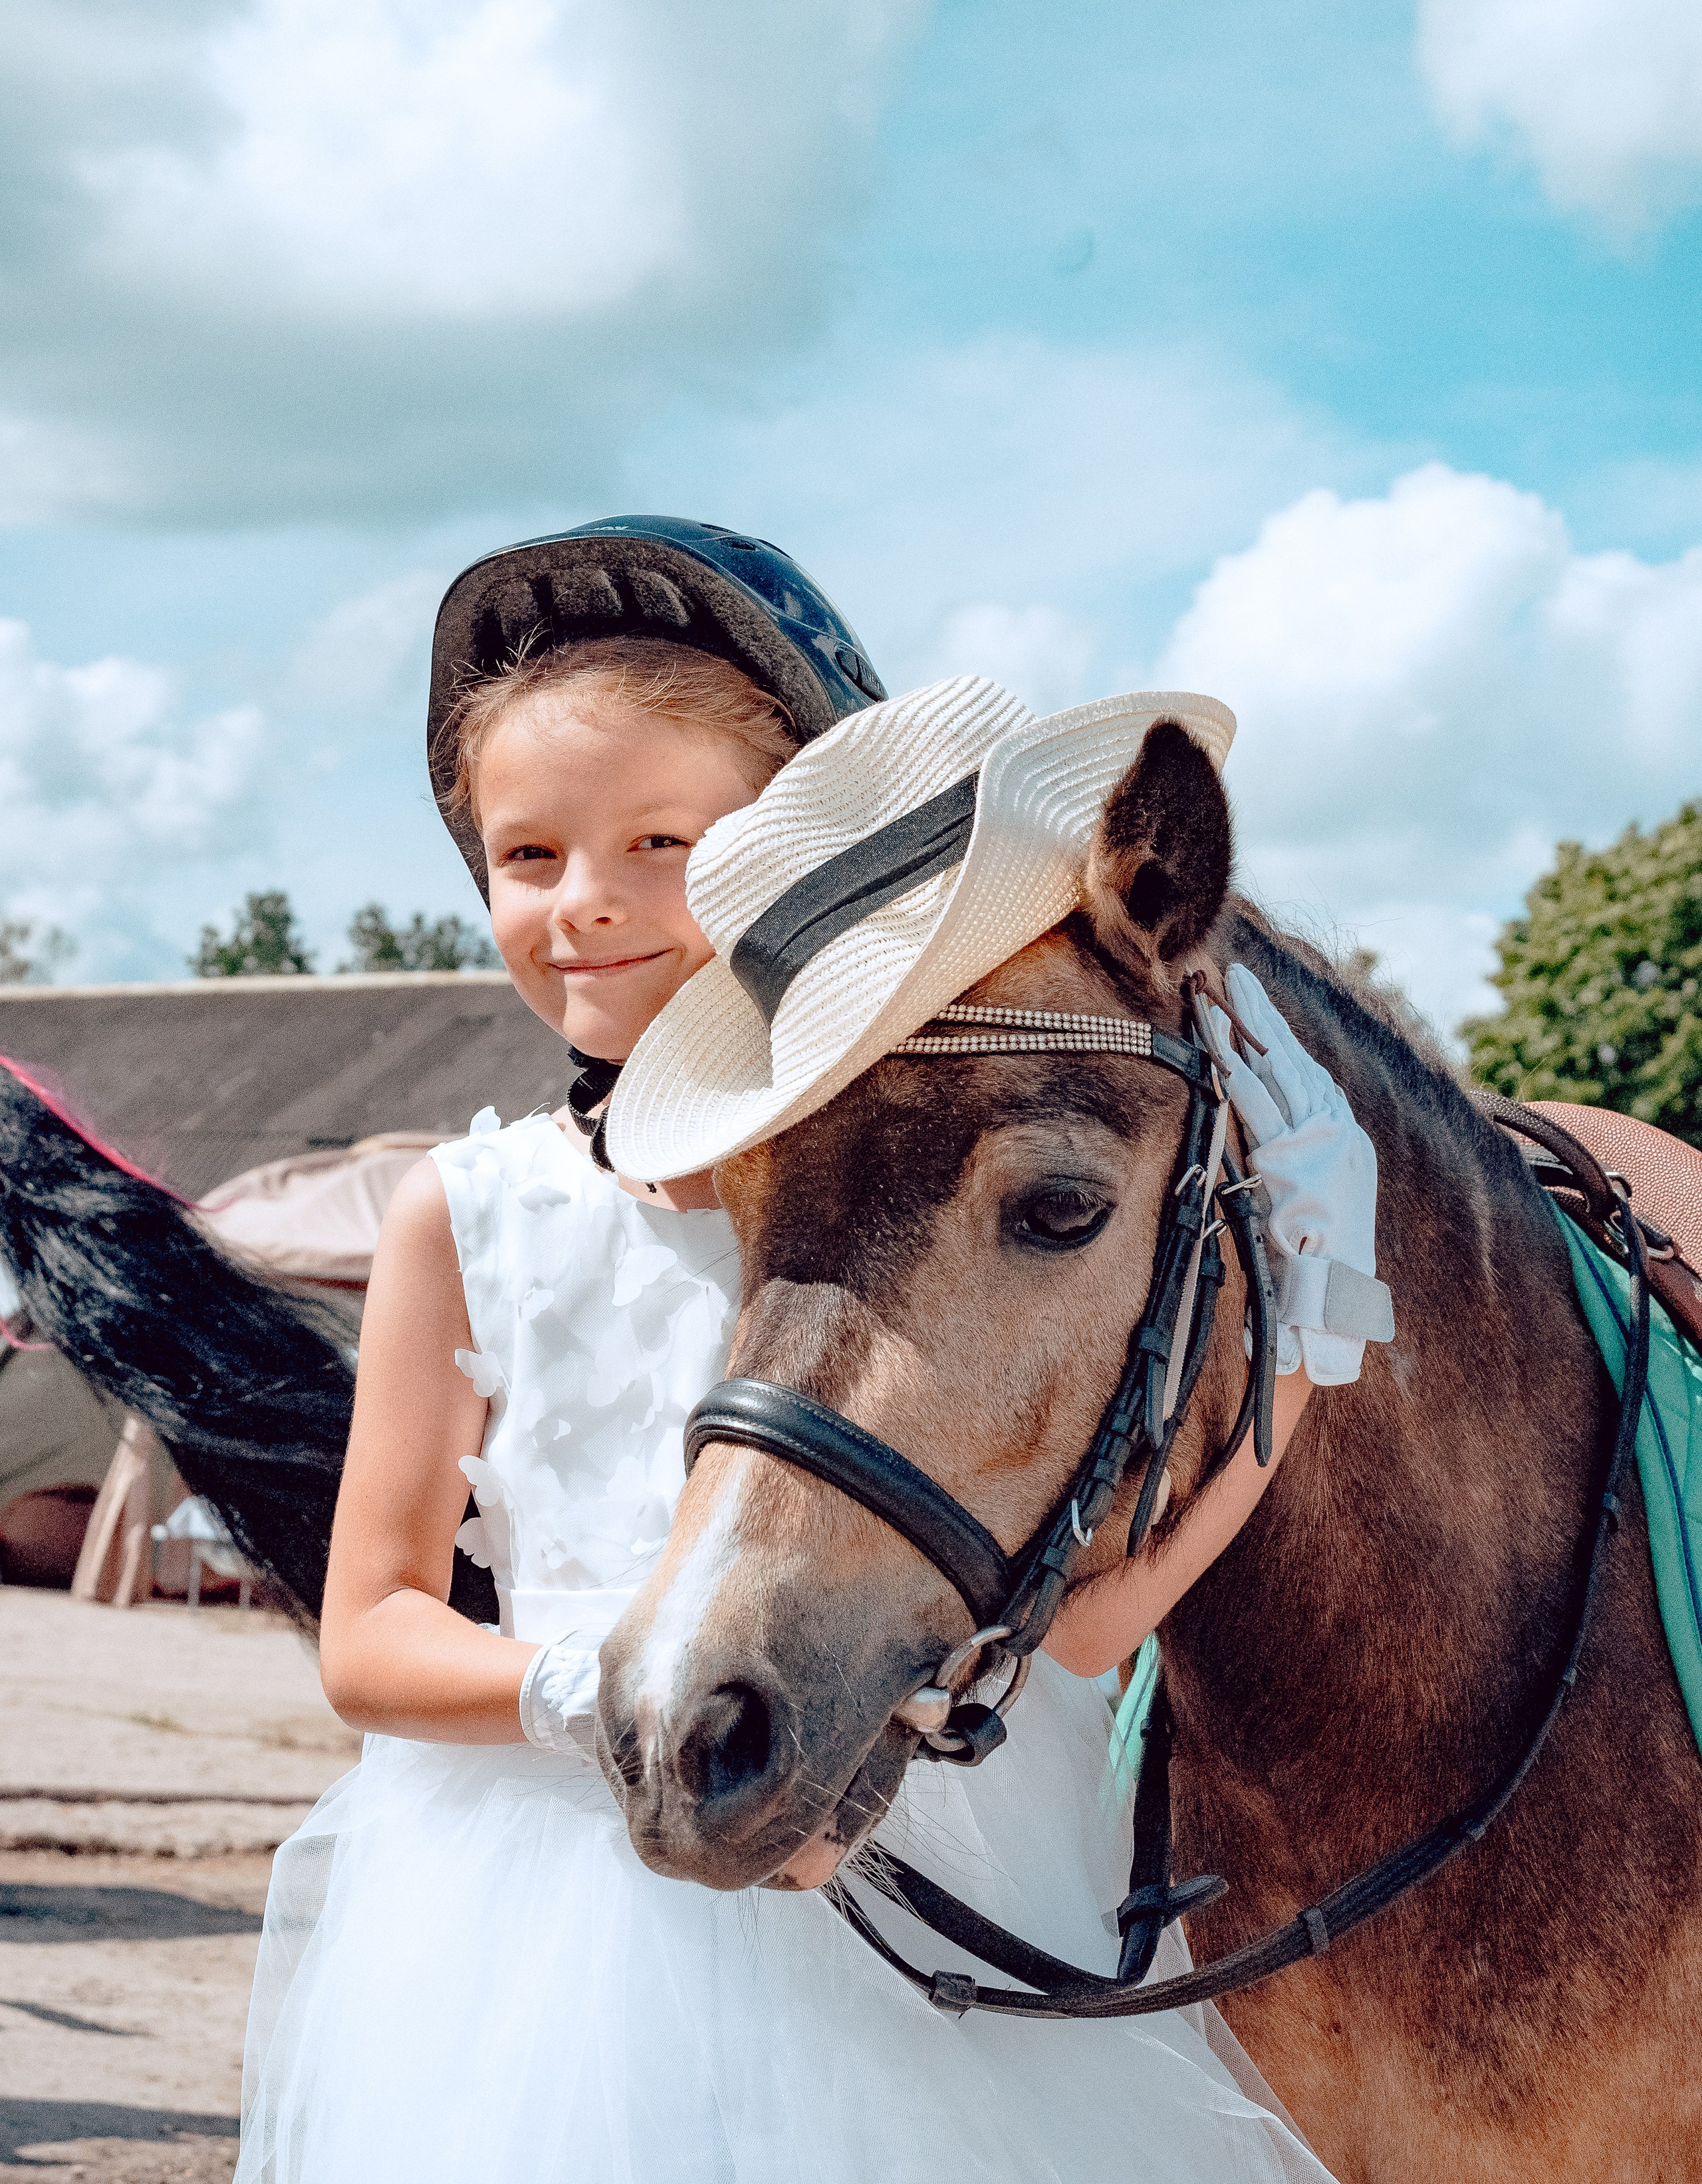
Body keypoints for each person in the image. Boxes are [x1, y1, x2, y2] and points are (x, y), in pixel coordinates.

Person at [236, 522, 1358, 2183]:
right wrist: (608, 1696)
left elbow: (1071, 1643)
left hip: (961, 1880)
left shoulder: (910, 1208)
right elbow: (367, 1639)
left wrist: (1286, 1389)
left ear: (781, 866)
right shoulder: (462, 1217)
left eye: (657, 843)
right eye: (524, 855)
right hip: (553, 1930)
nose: (583, 905)